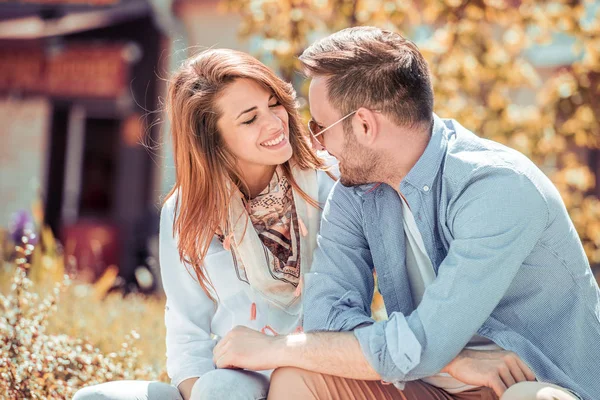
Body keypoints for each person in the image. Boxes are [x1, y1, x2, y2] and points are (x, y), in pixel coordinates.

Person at [212, 27, 600, 400]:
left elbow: (423, 342)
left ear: (363, 124)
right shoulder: (356, 193)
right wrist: (451, 360)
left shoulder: (497, 188)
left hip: (543, 384)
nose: (320, 145)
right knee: (299, 376)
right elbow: (326, 321)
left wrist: (276, 347)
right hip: (435, 385)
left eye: (320, 127)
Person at [72, 48, 337, 400]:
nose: (274, 123)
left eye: (274, 104)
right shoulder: (186, 211)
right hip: (238, 382)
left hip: (316, 368)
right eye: (249, 118)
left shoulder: (329, 181)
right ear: (210, 138)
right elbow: (187, 334)